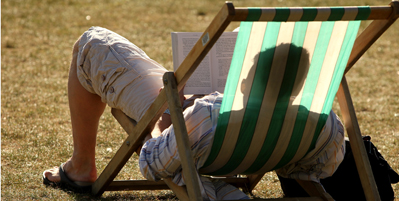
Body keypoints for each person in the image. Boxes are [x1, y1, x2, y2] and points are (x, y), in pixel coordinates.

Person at [43, 27, 345, 200]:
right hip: (245, 131)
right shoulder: (325, 125)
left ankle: (81, 166)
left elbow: (152, 162)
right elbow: (318, 169)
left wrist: (165, 117)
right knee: (242, 33)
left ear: (245, 82)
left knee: (93, 42)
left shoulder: (204, 117)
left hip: (195, 126)